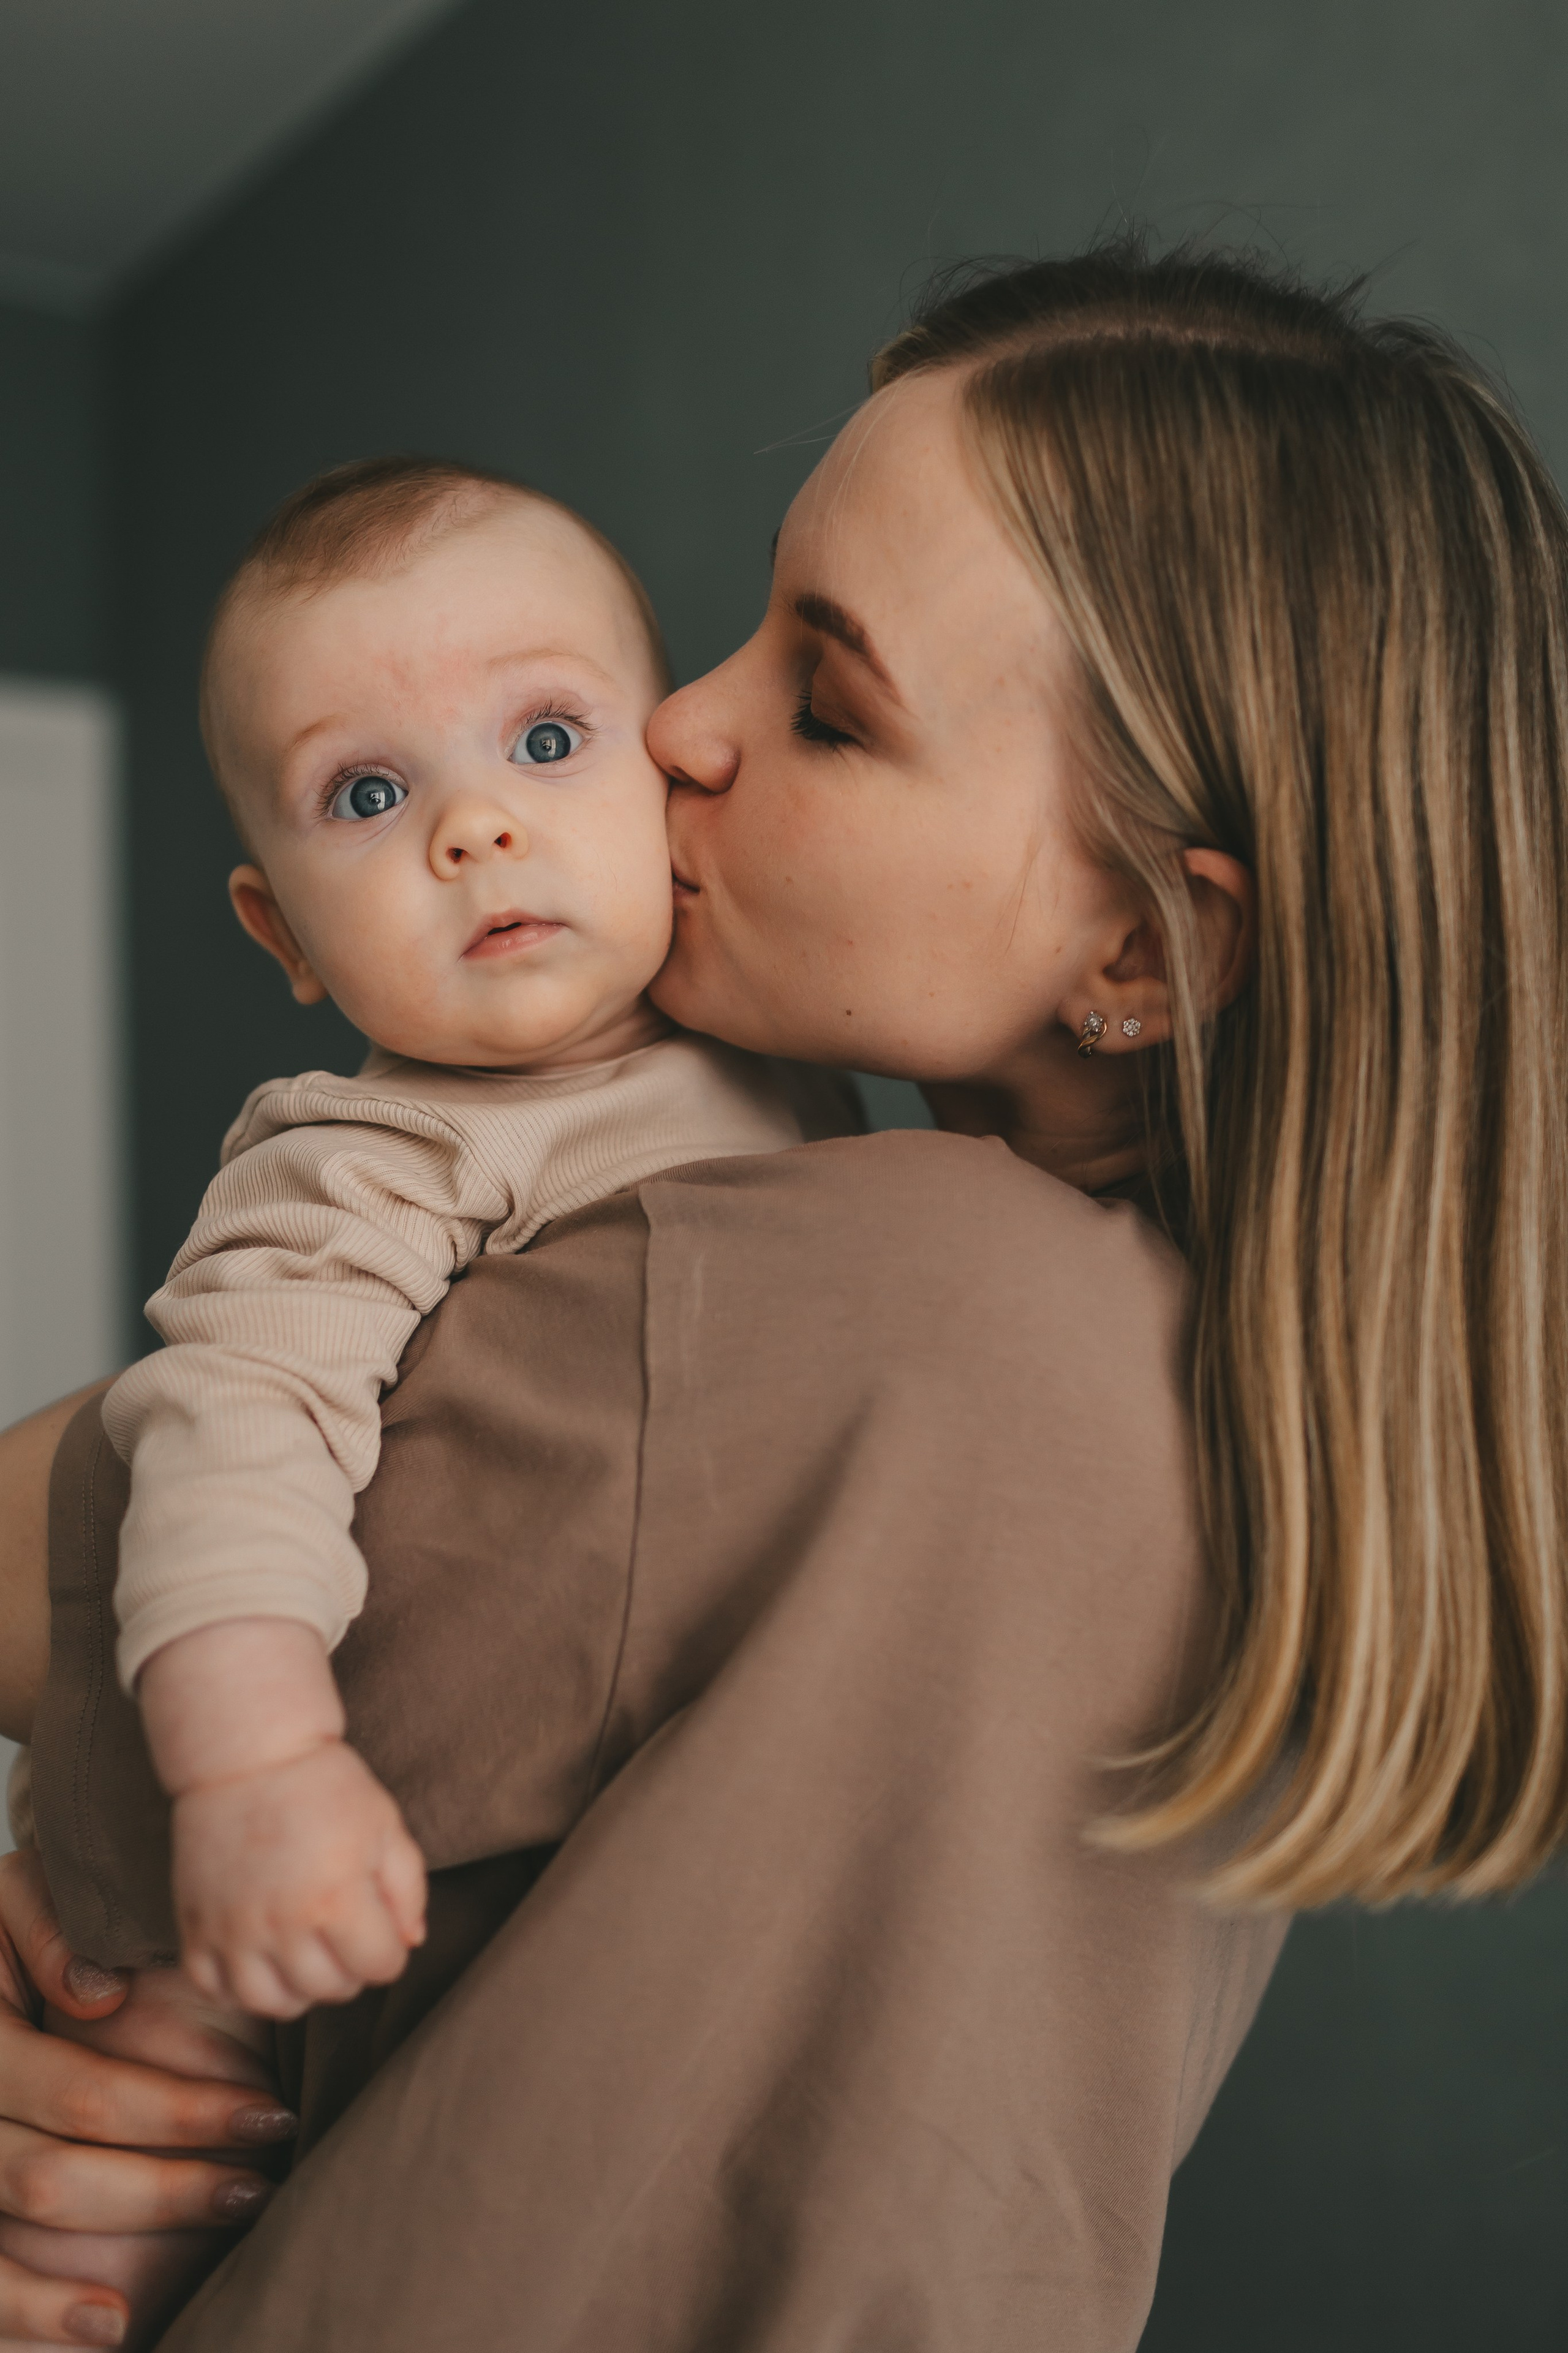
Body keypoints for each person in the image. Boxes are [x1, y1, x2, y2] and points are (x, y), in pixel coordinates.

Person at [2, 232, 1567, 2350]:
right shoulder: (1247, 1465)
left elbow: (86, 1594)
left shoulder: (935, 1305)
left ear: (1149, 954)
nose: (677, 727)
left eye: (826, 701)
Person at [100, 453, 840, 2025]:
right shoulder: (370, 1160)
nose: (475, 826)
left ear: (668, 779)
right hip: (316, 1876)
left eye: (548, 739)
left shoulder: (782, 1043)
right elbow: (240, 1435)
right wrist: (254, 1763)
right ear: (283, 932)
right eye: (368, 795)